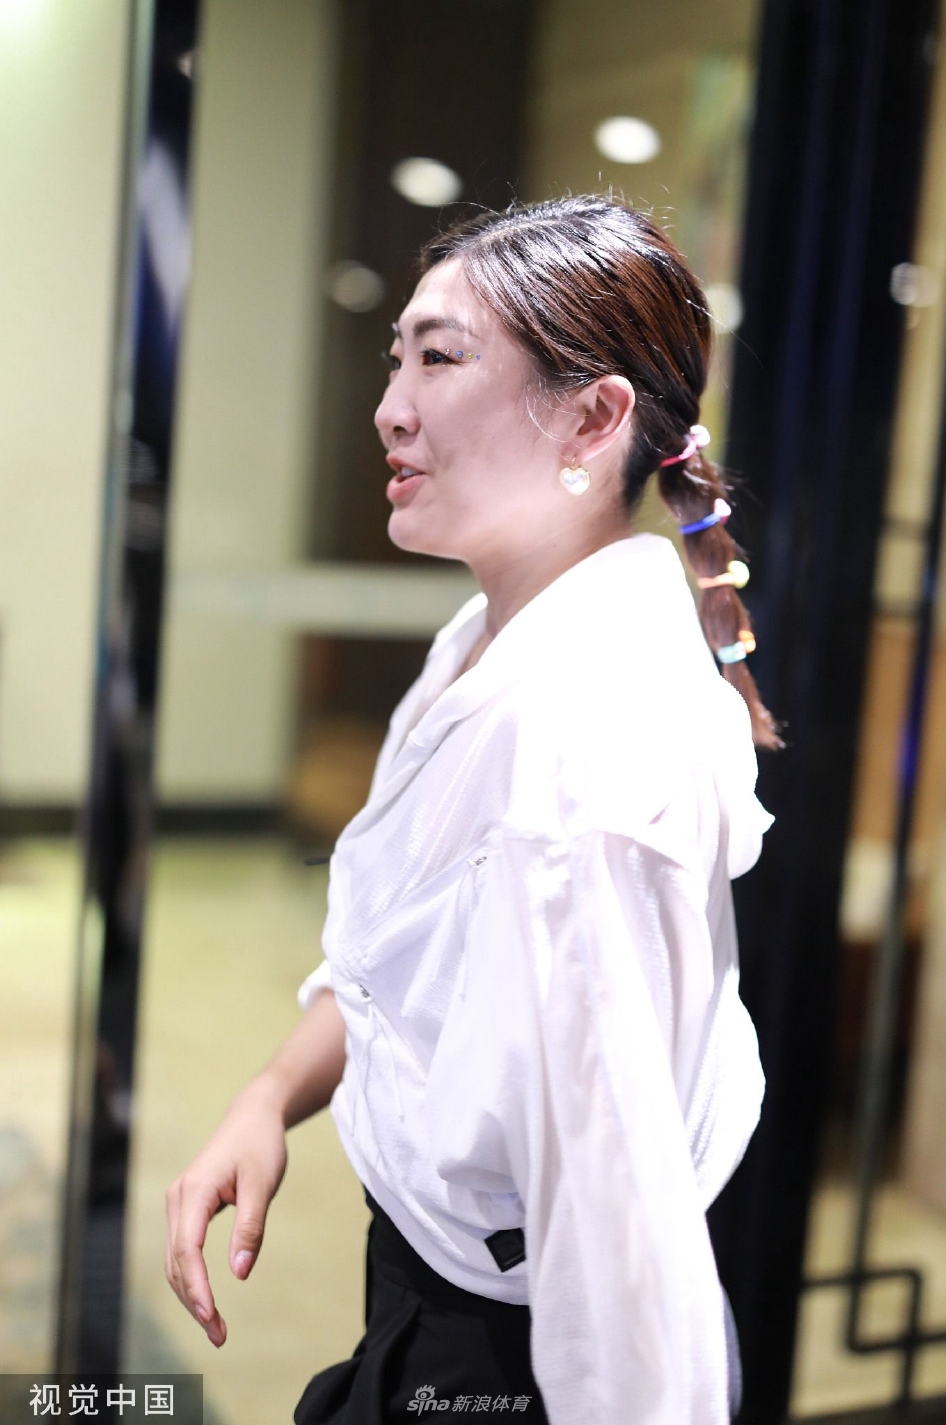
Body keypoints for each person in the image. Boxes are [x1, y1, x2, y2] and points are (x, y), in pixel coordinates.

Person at [164, 195, 779, 1424]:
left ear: (593, 417)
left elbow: (620, 1253)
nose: (389, 408)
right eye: (396, 358)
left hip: (500, 1360)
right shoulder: (484, 638)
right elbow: (401, 961)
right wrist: (272, 1092)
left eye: (438, 359)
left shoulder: (585, 755)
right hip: (421, 1294)